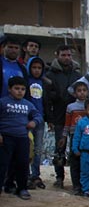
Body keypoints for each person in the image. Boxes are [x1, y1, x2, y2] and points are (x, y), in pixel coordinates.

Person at [44, 44, 81, 188]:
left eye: (69, 55)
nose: (66, 58)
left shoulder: (77, 75)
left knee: (75, 150)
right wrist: (50, 118)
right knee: (59, 150)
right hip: (59, 117)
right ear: (57, 55)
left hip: (75, 117)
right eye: (63, 55)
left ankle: (75, 180)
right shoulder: (50, 75)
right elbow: (46, 99)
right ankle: (59, 177)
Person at [0, 76, 43, 200]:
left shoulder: (28, 105)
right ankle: (5, 186)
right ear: (9, 89)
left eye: (23, 89)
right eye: (16, 88)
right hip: (6, 138)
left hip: (22, 138)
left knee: (22, 164)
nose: (20, 91)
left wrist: (34, 122)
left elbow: (38, 116)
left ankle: (22, 188)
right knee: (3, 164)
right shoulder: (3, 102)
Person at [25, 57, 50, 189]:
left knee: (38, 150)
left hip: (40, 120)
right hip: (27, 120)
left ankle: (36, 175)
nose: (36, 70)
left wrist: (48, 118)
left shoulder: (44, 83)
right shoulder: (26, 81)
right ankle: (26, 175)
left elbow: (47, 102)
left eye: (39, 68)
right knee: (27, 149)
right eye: (34, 67)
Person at [62, 81, 89, 195]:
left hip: (88, 136)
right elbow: (67, 123)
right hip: (74, 136)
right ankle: (76, 185)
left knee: (86, 161)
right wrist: (64, 136)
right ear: (74, 93)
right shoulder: (71, 107)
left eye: (84, 90)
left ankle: (86, 185)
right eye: (79, 90)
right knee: (75, 161)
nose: (82, 93)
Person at [72, 99, 89, 197]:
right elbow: (77, 136)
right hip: (85, 153)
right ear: (86, 110)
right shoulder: (82, 122)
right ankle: (86, 190)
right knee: (85, 173)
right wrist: (75, 149)